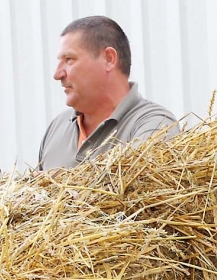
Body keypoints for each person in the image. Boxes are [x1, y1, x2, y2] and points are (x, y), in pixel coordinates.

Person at [38, 15, 181, 170]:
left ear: (109, 59)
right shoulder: (56, 129)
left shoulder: (154, 124)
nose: (57, 74)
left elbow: (141, 187)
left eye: (69, 60)